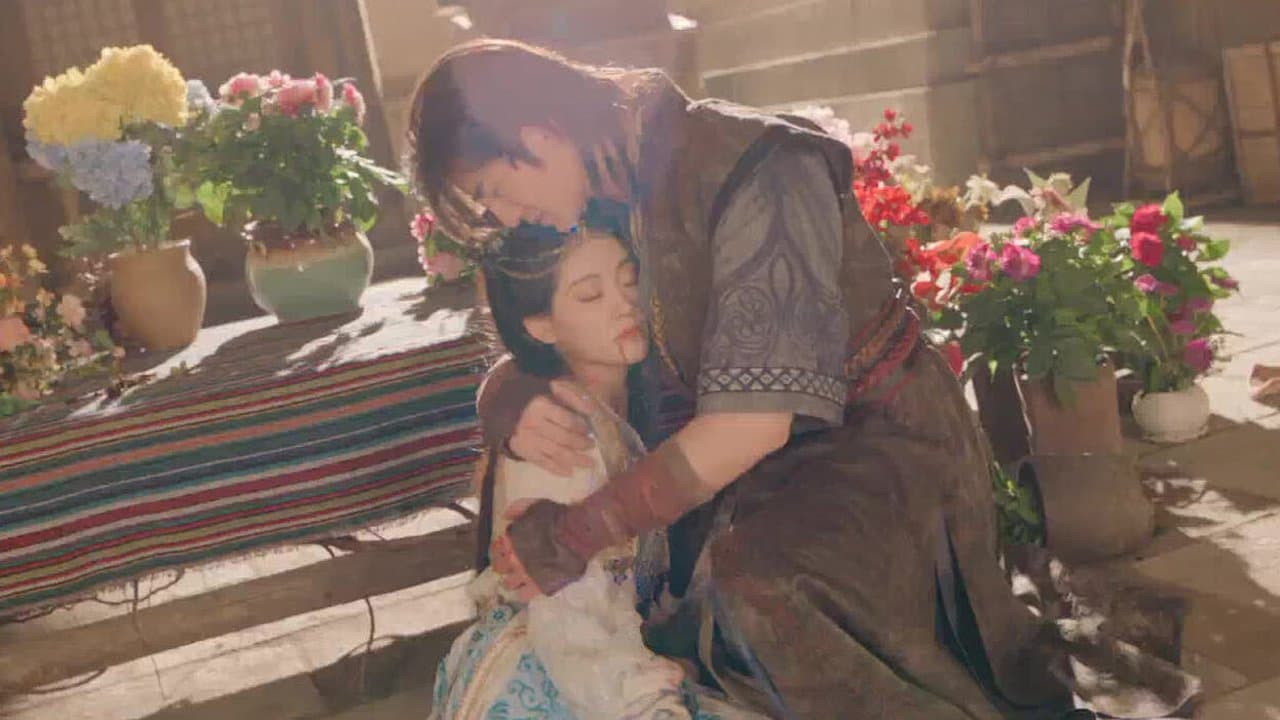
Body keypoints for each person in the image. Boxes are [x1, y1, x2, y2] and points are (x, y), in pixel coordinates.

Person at [410, 39, 1199, 718]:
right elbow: (570, 321)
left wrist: (579, 531)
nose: (504, 217)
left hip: (880, 444)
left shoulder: (756, 164)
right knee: (651, 598)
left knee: (757, 586)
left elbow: (752, 423)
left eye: (490, 192)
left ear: (535, 133)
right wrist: (510, 389)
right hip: (743, 463)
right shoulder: (608, 180)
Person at [431, 200, 762, 719]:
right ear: (540, 325)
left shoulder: (634, 391)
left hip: (624, 653)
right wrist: (649, 702)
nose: (625, 305)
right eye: (590, 294)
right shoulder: (556, 439)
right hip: (572, 674)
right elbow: (571, 624)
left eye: (630, 281)